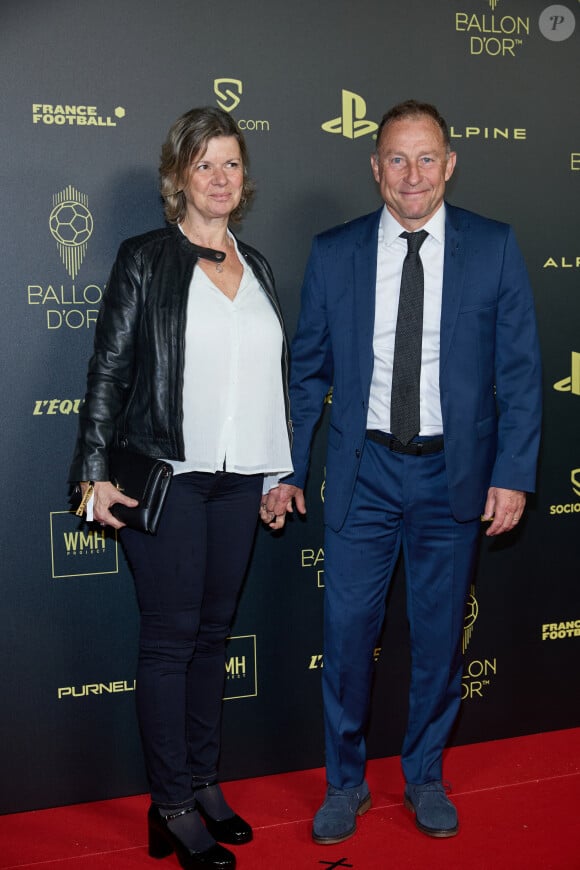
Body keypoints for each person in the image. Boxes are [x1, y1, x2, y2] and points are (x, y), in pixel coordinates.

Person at [264, 99, 542, 843]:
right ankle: (344, 783)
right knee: (348, 634)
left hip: (454, 476)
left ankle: (423, 776)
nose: (412, 175)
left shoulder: (494, 246)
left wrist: (512, 473)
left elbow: (519, 374)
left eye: (426, 158)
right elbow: (308, 372)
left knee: (438, 637)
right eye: (396, 158)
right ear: (375, 167)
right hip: (366, 475)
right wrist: (287, 469)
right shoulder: (336, 252)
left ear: (449, 163)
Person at [69, 106, 293, 870]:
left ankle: (202, 783)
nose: (220, 179)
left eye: (231, 164)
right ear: (178, 178)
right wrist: (92, 471)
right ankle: (167, 805)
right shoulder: (144, 258)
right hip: (169, 478)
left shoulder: (257, 266)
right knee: (169, 644)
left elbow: (269, 382)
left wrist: (278, 471)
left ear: (245, 178)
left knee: (212, 639)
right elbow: (108, 372)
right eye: (205, 165)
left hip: (238, 484)